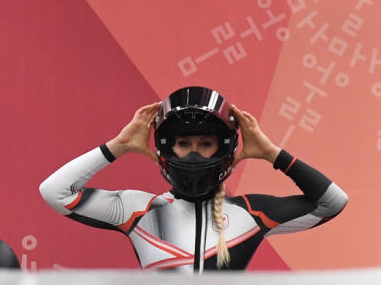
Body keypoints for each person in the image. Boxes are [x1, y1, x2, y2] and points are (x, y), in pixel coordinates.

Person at [39, 86, 348, 272]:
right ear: (166, 148)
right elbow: (55, 192)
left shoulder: (253, 213)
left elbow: (333, 202)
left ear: (223, 148)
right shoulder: (138, 210)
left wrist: (271, 153)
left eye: (205, 144)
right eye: (184, 145)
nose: (194, 155)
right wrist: (116, 147)